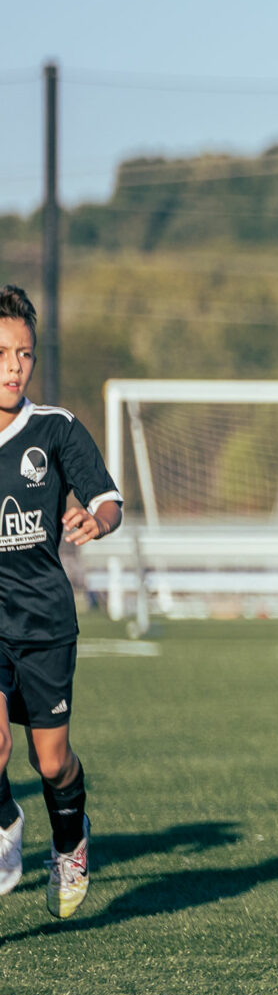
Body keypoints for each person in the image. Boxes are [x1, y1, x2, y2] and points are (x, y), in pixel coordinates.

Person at [0, 287, 123, 917]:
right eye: (1, 352)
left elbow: (108, 500)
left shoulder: (54, 429)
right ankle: (3, 828)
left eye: (24, 353)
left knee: (51, 763)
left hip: (44, 621)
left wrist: (97, 523)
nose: (14, 365)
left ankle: (70, 840)